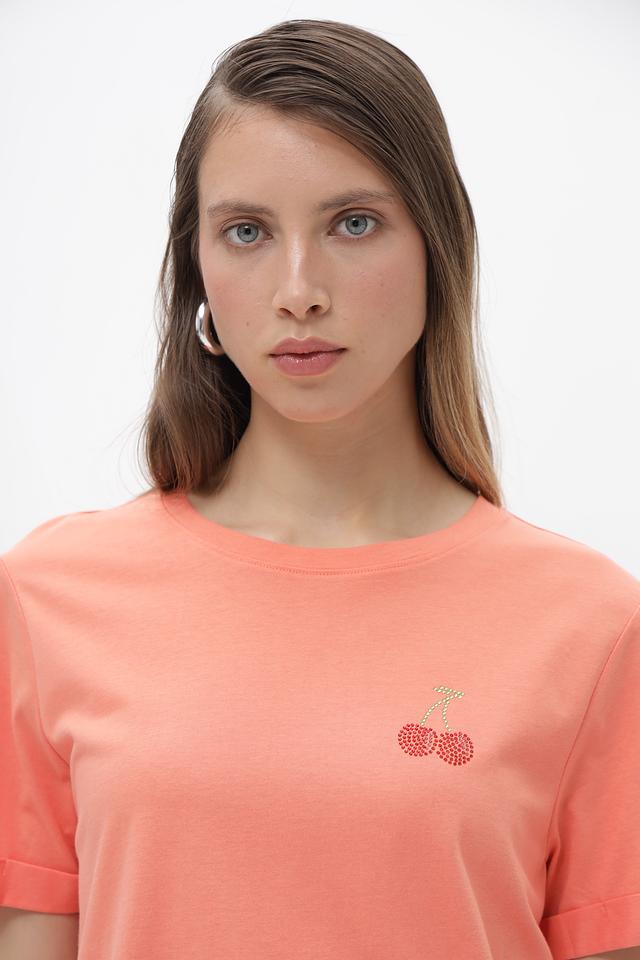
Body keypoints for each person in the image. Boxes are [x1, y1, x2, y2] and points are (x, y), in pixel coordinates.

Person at [1, 17, 639, 960]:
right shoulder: (50, 595)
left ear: (439, 247)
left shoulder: (590, 626)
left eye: (353, 223)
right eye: (247, 232)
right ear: (198, 271)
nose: (299, 290)